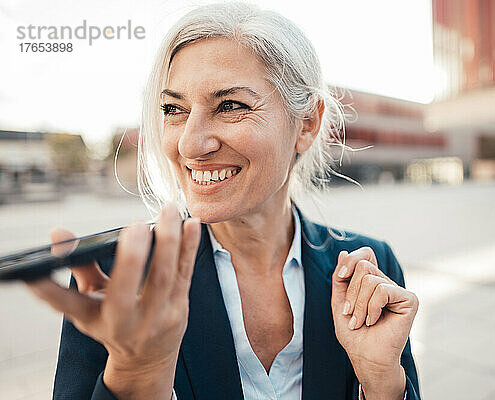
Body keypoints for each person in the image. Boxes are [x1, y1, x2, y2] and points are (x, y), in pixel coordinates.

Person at [26, 3, 420, 399]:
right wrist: (136, 377)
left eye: (231, 106)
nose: (190, 143)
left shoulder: (370, 267)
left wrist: (381, 381)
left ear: (307, 124)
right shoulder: (113, 278)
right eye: (173, 109)